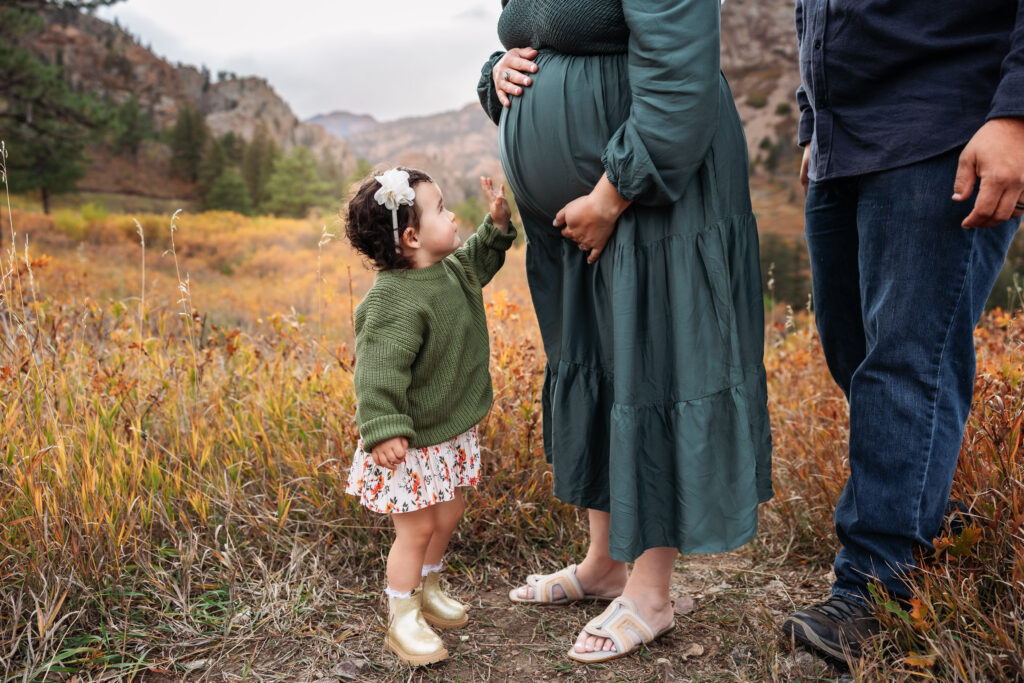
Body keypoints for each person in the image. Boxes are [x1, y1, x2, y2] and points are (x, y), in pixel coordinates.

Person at [478, 0, 773, 663]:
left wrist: (613, 193)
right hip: (574, 214)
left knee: (655, 362)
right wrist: (496, 77)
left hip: (648, 193)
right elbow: (537, 36)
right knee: (601, 362)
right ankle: (605, 564)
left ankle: (651, 591)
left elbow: (678, 69)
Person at [782, 0, 1024, 663]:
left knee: (905, 361)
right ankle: (927, 527)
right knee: (851, 348)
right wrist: (815, 122)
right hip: (844, 137)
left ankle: (875, 587)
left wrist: (1015, 115)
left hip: (946, 122)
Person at [343, 168, 517, 665]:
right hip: (409, 441)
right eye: (440, 209)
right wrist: (382, 429)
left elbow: (480, 259)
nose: (451, 214)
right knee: (415, 529)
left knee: (450, 512)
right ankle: (403, 618)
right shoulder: (391, 301)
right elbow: (376, 372)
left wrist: (497, 224)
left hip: (448, 431)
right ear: (412, 236)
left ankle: (429, 584)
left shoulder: (449, 270)